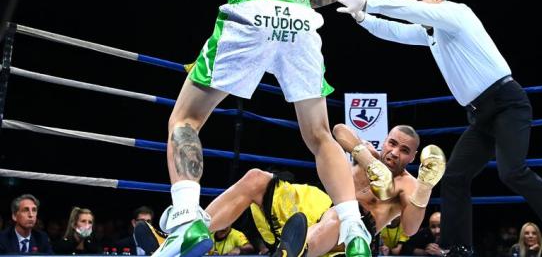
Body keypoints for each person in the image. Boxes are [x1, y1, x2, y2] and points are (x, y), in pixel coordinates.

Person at [144, 0, 370, 256]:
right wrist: (289, 4)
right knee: (320, 135)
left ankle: (186, 217)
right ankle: (354, 229)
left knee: (186, 118)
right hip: (301, 22)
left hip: (250, 12)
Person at [336, 0, 542, 257]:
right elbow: (396, 30)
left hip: (507, 103)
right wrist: (362, 17)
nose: (412, 7)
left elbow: (409, 13)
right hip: (480, 116)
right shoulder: (432, 34)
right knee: (455, 176)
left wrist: (369, 1)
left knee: (512, 171)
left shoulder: (458, 13)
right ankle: (459, 248)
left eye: (416, 1)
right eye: (409, 1)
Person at [136, 124, 445, 257]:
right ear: (386, 140)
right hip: (312, 216)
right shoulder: (371, 156)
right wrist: (365, 156)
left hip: (343, 241)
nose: (394, 152)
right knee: (257, 178)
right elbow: (337, 131)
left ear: (413, 157)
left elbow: (410, 226)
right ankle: (183, 235)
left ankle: (292, 252)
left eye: (404, 150)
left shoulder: (408, 185)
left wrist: (426, 187)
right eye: (392, 143)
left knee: (341, 215)